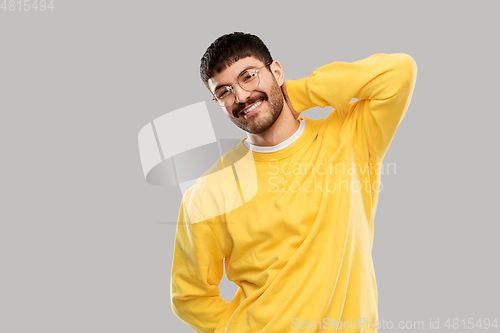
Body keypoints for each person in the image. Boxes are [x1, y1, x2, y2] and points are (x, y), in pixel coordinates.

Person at [170, 32, 417, 333]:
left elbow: (399, 72)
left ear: (276, 71)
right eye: (224, 92)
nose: (241, 97)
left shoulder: (349, 138)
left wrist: (298, 94)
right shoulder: (209, 191)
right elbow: (189, 297)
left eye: (248, 76)